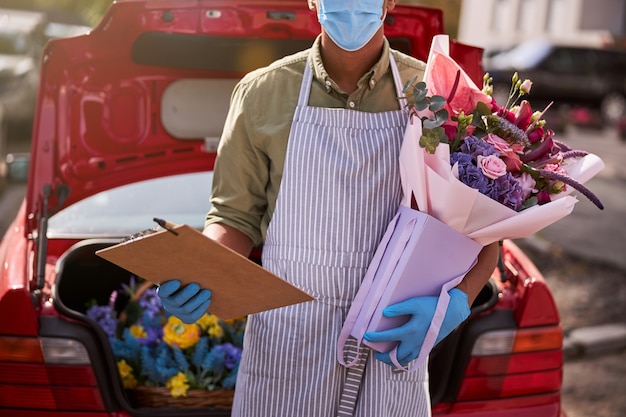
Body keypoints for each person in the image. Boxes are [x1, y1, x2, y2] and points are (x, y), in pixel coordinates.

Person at [157, 0, 500, 416]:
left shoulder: (435, 94)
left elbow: (484, 231)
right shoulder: (263, 93)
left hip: (389, 342)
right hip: (286, 346)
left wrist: (457, 302)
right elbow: (234, 217)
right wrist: (202, 272)